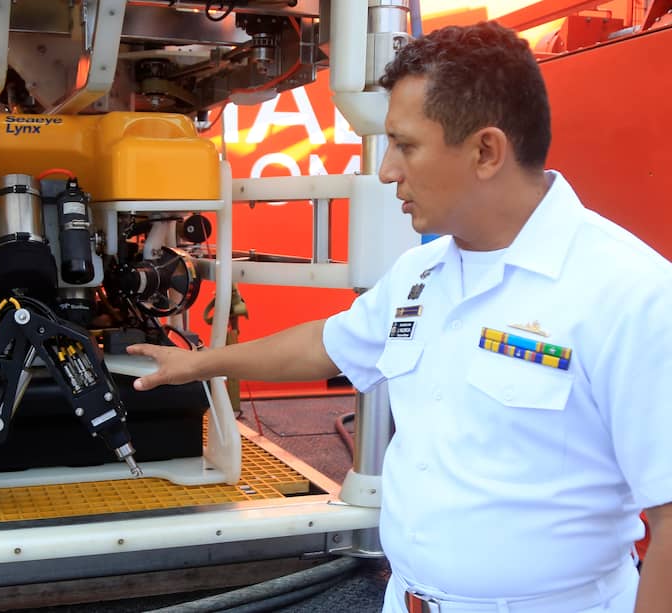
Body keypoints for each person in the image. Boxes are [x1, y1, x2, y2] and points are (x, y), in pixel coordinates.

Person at [127, 21, 671, 613]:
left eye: (405, 145)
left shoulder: (630, 295)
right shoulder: (423, 272)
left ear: (486, 151)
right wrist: (199, 365)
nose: (387, 172)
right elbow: (329, 346)